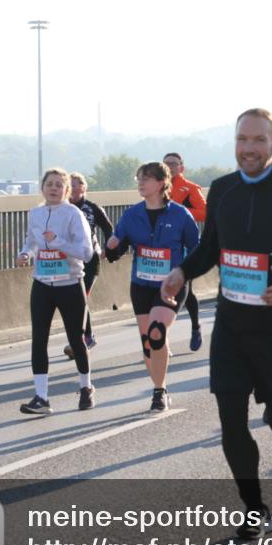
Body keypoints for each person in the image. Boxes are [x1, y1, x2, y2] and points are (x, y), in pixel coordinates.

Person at [160, 108, 272, 539]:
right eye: (243, 139)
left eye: (259, 140)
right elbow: (210, 250)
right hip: (233, 328)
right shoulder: (222, 190)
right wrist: (182, 272)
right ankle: (255, 506)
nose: (249, 148)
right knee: (232, 423)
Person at [104, 162, 199, 413]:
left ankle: (159, 392)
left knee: (157, 332)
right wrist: (112, 246)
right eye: (139, 178)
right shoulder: (131, 214)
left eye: (146, 179)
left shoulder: (180, 215)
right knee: (148, 341)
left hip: (171, 285)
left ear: (160, 183)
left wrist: (183, 274)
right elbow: (118, 247)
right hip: (141, 285)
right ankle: (159, 381)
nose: (140, 183)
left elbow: (197, 249)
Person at [16, 168, 95, 414]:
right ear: (42, 188)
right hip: (42, 284)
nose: (53, 188)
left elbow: (86, 252)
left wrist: (58, 242)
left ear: (67, 191)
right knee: (39, 339)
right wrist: (25, 253)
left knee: (76, 339)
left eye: (59, 185)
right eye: (49, 184)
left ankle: (86, 387)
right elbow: (31, 241)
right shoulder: (36, 213)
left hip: (70, 284)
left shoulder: (73, 214)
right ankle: (41, 397)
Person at [62, 173, 113, 359]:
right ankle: (83, 337)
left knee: (81, 297)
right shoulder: (61, 208)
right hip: (67, 260)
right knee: (73, 300)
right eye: (71, 184)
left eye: (78, 184)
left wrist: (108, 248)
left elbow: (109, 229)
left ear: (84, 188)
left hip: (90, 259)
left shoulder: (92, 209)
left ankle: (85, 338)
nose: (75, 188)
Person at [164, 152, 208, 351]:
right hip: (160, 247)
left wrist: (181, 212)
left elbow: (205, 212)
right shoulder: (157, 187)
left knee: (184, 288)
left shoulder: (189, 188)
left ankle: (195, 326)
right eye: (166, 163)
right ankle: (162, 340)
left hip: (183, 245)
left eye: (173, 163)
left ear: (181, 167)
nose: (170, 166)